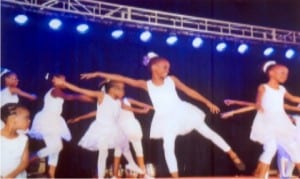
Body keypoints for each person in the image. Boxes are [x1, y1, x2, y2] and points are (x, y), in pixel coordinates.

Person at [80, 52, 245, 177]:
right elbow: (122, 77)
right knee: (168, 145)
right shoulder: (146, 84)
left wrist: (207, 103)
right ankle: (175, 176)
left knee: (207, 131)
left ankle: (232, 154)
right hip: (165, 118)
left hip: (182, 111)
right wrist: (99, 74)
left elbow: (189, 91)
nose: (168, 69)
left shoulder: (172, 80)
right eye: (164, 66)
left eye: (168, 67)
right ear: (154, 68)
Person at [52, 78, 146, 178]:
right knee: (103, 154)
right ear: (112, 90)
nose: (123, 92)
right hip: (101, 129)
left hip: (113, 128)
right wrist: (65, 84)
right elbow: (80, 90)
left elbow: (128, 108)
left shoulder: (118, 102)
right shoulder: (102, 96)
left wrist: (141, 111)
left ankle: (131, 163)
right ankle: (101, 177)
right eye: (120, 89)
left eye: (123, 89)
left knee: (124, 144)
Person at [68, 95, 153, 177]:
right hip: (126, 127)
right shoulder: (114, 103)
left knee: (126, 149)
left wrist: (154, 108)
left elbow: (142, 105)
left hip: (127, 127)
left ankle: (124, 174)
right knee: (133, 149)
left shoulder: (120, 101)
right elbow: (98, 113)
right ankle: (137, 173)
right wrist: (80, 118)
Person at [29, 74, 93, 178]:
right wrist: (91, 99)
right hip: (47, 120)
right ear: (55, 81)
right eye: (62, 81)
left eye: (65, 80)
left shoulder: (56, 91)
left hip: (54, 120)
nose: (65, 83)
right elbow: (71, 97)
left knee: (55, 150)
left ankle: (51, 175)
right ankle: (31, 158)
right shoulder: (55, 91)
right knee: (57, 147)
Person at [244, 61, 300, 178]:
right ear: (271, 73)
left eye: (286, 73)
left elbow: (294, 99)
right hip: (268, 121)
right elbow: (258, 101)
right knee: (270, 148)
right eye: (282, 72)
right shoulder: (263, 87)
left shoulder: (282, 89)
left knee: (294, 150)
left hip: (281, 122)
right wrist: (259, 105)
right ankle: (261, 176)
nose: (285, 75)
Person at [221, 100, 300, 178]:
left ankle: (263, 173)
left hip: (283, 134)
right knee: (270, 151)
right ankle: (262, 174)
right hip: (273, 132)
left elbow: (290, 107)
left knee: (292, 154)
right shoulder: (268, 105)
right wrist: (233, 109)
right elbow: (251, 105)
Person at [0, 103, 31, 178]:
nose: (29, 121)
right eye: (26, 117)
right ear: (13, 119)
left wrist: (11, 175)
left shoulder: (23, 139)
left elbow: (24, 162)